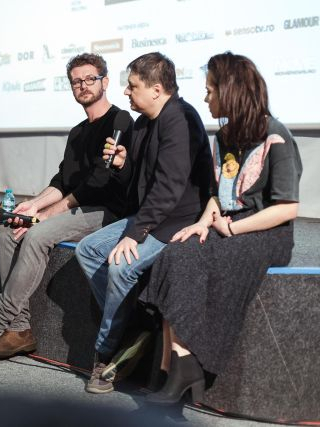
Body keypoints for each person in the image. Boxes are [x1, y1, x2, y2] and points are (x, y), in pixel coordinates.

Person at [0, 53, 133, 362]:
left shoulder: (120, 120)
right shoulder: (77, 131)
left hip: (107, 211)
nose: (83, 86)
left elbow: (99, 182)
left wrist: (47, 214)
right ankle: (20, 330)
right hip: (77, 208)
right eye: (76, 81)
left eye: (89, 79)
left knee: (36, 234)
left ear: (105, 81)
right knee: (11, 229)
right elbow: (63, 180)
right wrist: (30, 206)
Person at [142, 52, 302, 405]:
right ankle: (177, 365)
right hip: (226, 223)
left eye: (210, 90)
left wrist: (232, 230)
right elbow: (217, 194)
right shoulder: (225, 135)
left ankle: (183, 367)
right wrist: (201, 224)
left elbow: (287, 208)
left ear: (230, 90)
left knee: (201, 260)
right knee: (175, 253)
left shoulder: (277, 136)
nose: (205, 98)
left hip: (266, 233)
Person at [75, 52, 212, 393]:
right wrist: (123, 164)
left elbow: (169, 187)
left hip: (178, 221)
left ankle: (106, 354)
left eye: (133, 86)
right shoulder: (142, 123)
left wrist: (136, 234)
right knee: (88, 250)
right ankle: (136, 324)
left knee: (121, 268)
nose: (126, 93)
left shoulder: (180, 118)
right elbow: (140, 184)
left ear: (155, 89)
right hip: (150, 215)